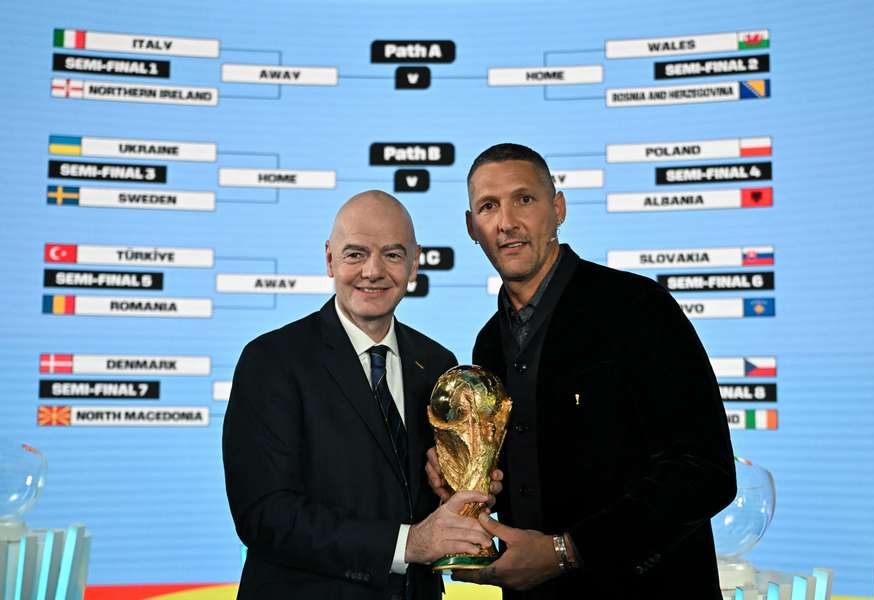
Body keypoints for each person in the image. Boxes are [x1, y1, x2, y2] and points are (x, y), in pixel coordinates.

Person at [427, 144, 737, 599]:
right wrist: (463, 477)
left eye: (524, 200)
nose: (507, 221)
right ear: (472, 228)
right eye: (489, 206)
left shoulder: (639, 308)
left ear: (558, 208)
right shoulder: (487, 344)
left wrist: (565, 551)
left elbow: (705, 471)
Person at [223, 190, 497, 600]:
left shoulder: (437, 362)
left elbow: (421, 500)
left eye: (391, 253)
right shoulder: (272, 360)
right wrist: (408, 544)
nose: (373, 270)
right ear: (330, 259)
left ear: (414, 262)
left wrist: (459, 494)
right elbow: (266, 515)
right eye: (355, 254)